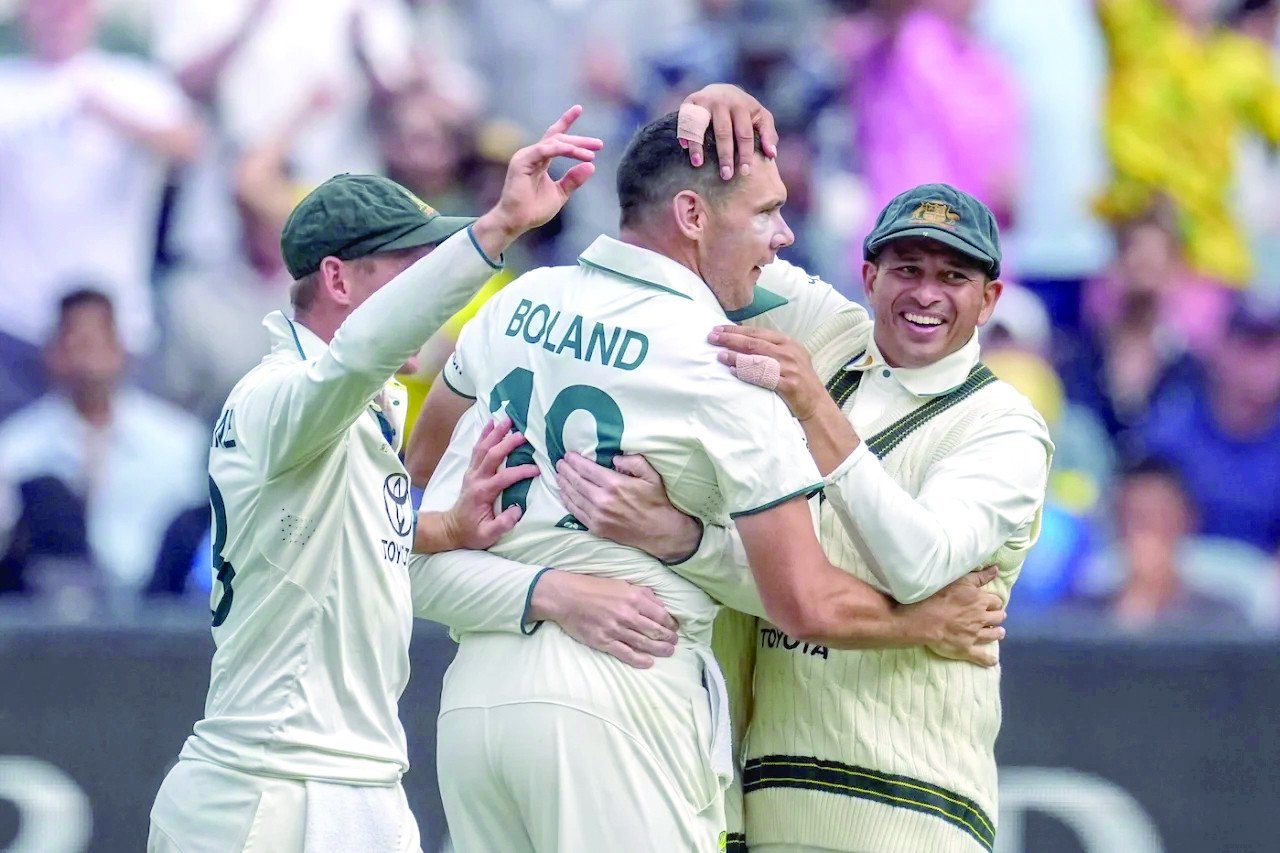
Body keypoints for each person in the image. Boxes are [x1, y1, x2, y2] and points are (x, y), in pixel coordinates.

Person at [403, 103, 1008, 851]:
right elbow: (804, 602)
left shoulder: (519, 304)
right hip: (623, 698)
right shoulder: (724, 364)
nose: (784, 236)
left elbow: (398, 514)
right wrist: (921, 623)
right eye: (768, 213)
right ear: (691, 214)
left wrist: (537, 585)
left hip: (473, 706)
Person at [146, 106, 604, 853]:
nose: (433, 291)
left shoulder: (348, 406)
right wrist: (494, 230)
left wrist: (447, 527)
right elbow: (358, 355)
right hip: (277, 792)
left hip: (342, 784)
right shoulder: (279, 395)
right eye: (409, 269)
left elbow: (329, 529)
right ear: (338, 279)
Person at [0, 289, 207, 606]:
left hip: (159, 603)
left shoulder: (180, 440)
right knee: (46, 494)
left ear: (121, 348)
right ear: (52, 353)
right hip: (55, 611)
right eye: (75, 344)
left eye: (96, 342)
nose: (87, 360)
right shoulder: (15, 446)